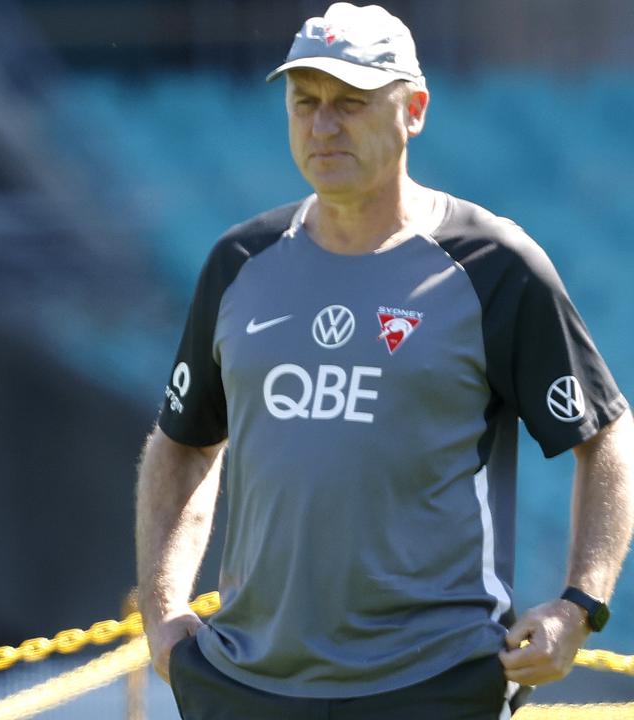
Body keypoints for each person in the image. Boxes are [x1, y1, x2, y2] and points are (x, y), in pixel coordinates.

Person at [135, 3, 634, 718]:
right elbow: (182, 444)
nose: (323, 126)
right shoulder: (238, 261)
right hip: (244, 684)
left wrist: (581, 604)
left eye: (351, 104)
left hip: (439, 683)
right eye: (305, 103)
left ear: (415, 110)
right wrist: (163, 613)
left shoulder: (493, 264)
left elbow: (606, 434)